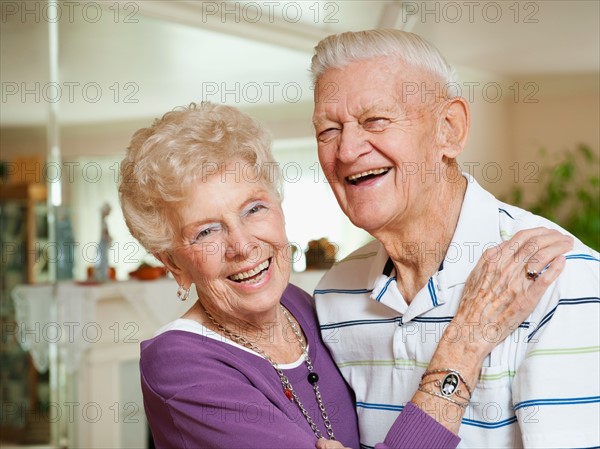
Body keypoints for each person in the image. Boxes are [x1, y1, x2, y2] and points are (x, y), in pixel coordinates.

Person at [118, 101, 571, 449]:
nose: (242, 246)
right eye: (206, 231)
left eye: (254, 209)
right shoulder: (178, 366)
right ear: (174, 263)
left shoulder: (300, 303)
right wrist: (468, 340)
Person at [310, 29, 600, 448]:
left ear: (449, 129)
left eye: (375, 120)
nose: (347, 149)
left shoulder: (559, 279)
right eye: (328, 131)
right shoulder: (334, 295)